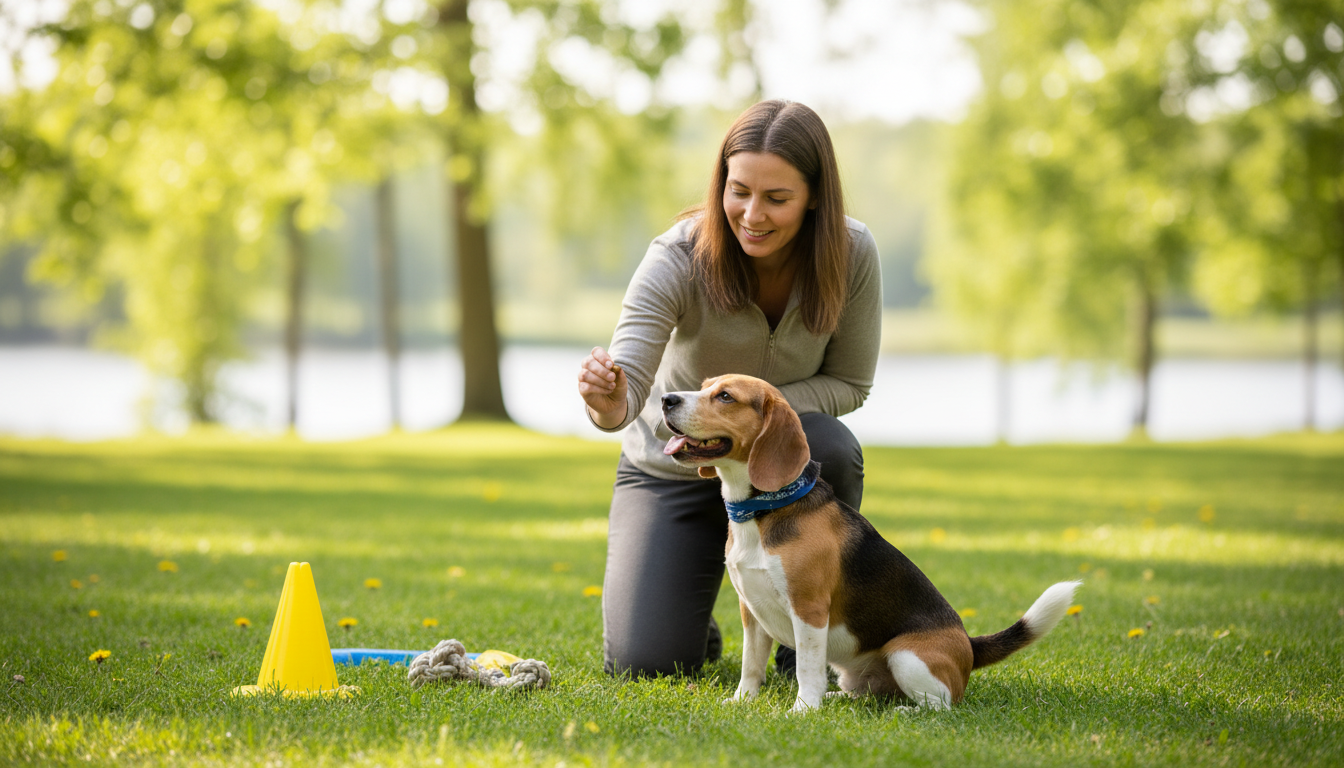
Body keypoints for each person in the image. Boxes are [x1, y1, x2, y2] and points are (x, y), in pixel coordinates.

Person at [576, 99, 882, 678]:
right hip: (672, 468)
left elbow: (849, 383)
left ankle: (800, 651)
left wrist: (756, 420)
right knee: (647, 663)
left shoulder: (851, 252)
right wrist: (609, 402)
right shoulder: (678, 255)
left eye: (777, 198)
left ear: (815, 196)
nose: (752, 215)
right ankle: (689, 605)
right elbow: (627, 387)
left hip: (782, 471)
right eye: (738, 191)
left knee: (832, 445)